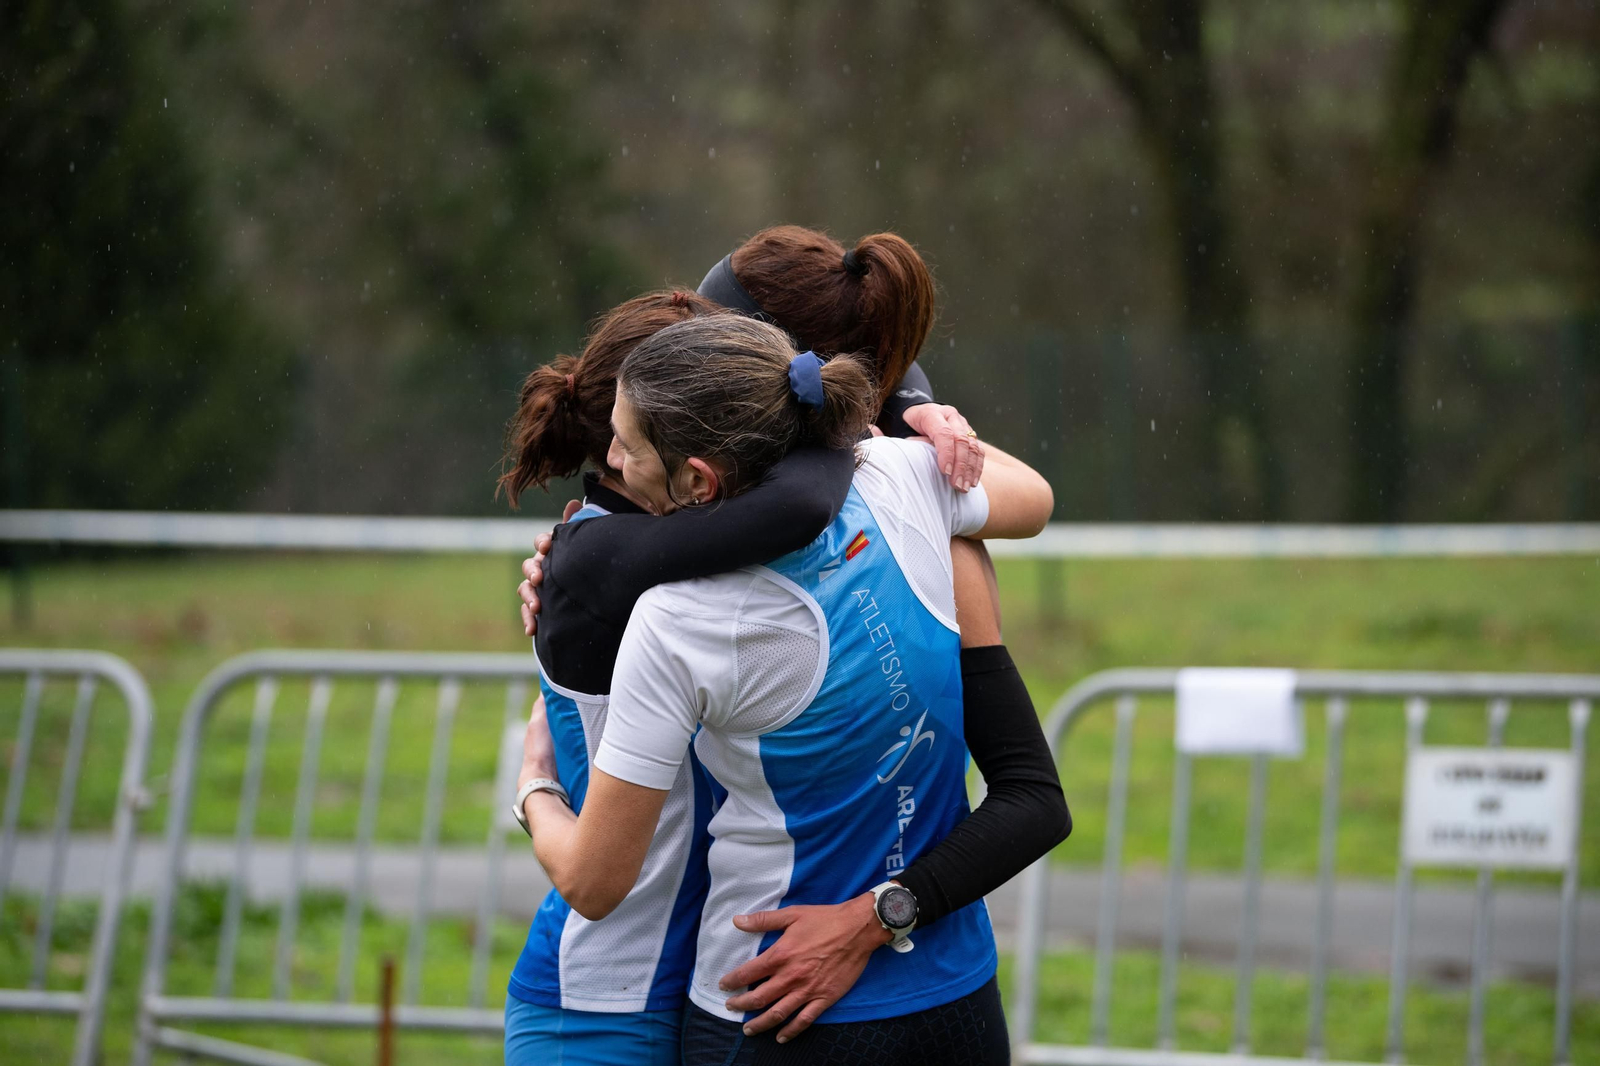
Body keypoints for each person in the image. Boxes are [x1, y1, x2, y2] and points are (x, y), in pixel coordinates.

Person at [518, 314, 1057, 1064]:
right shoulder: (900, 475)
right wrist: (918, 417)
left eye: (625, 445)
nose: (608, 458)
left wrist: (534, 784)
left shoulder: (675, 622)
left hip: (771, 1004)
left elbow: (595, 881)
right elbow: (1034, 498)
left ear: (699, 480)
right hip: (956, 1003)